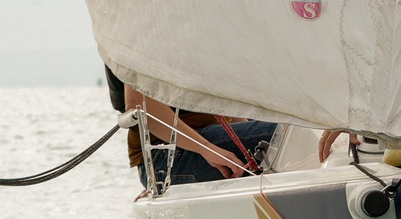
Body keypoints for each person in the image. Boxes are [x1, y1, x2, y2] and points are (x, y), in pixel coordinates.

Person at [106, 66, 275, 190]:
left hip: (191, 147)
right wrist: (207, 150)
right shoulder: (148, 28)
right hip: (168, 156)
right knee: (286, 132)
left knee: (291, 131)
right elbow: (140, 104)